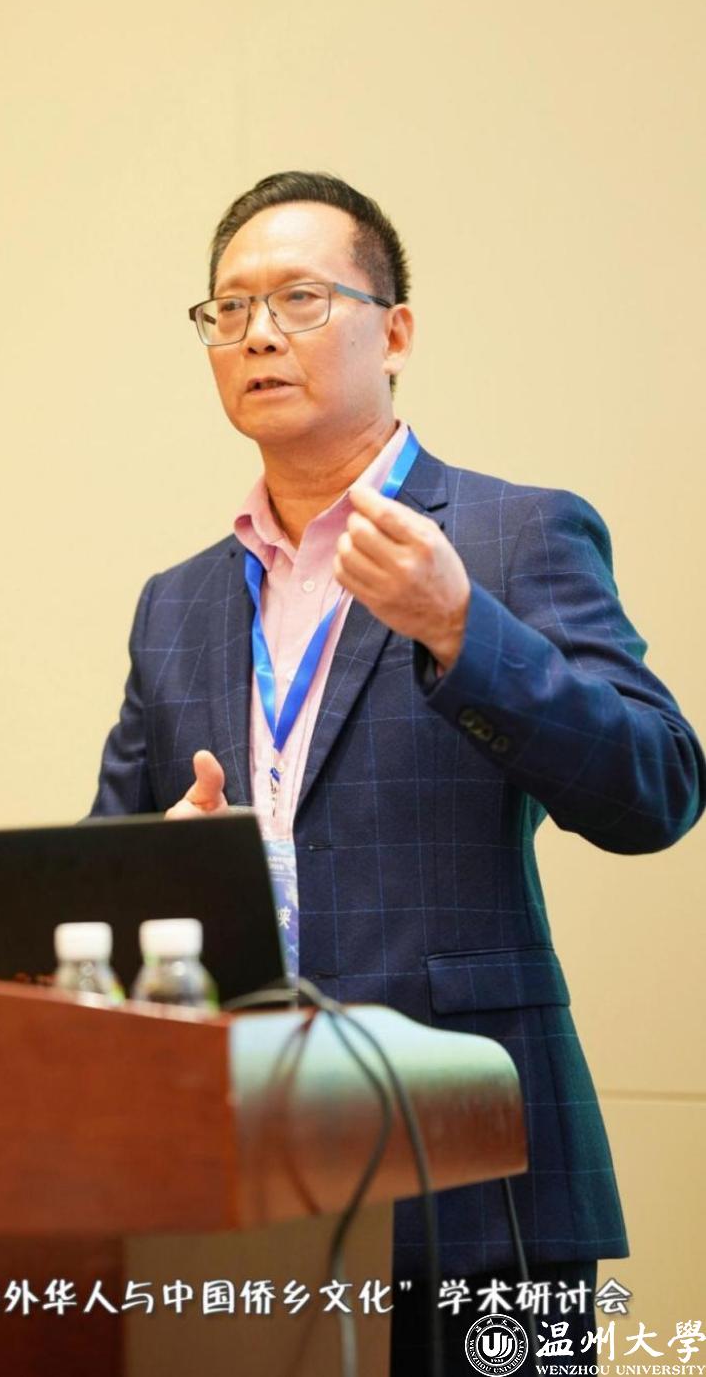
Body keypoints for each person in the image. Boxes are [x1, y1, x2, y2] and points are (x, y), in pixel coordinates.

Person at [91, 171, 704, 1369]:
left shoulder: (514, 535)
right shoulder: (176, 604)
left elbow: (657, 787)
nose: (259, 333)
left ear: (397, 333)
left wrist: (465, 631)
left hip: (476, 1177)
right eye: (229, 309)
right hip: (237, 1188)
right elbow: (94, 884)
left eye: (301, 299)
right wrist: (163, 861)